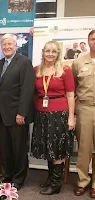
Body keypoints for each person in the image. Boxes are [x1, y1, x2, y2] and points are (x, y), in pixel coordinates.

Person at [31, 41, 75, 195]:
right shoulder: (37, 70)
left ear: (58, 54)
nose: (50, 54)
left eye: (54, 51)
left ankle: (56, 184)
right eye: (47, 51)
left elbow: (70, 95)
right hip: (41, 114)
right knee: (47, 146)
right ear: (43, 52)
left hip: (59, 114)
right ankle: (51, 177)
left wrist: (71, 117)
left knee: (57, 148)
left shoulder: (65, 70)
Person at [0, 33, 35, 190]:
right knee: (6, 149)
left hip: (18, 115)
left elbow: (27, 88)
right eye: (4, 44)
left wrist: (22, 113)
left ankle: (18, 179)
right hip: (3, 115)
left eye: (10, 44)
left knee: (19, 150)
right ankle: (7, 175)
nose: (7, 47)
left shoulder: (24, 62)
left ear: (16, 45)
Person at [73, 30, 95, 198]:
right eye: (93, 39)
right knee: (84, 148)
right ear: (88, 41)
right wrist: (73, 113)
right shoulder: (79, 62)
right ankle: (82, 181)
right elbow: (72, 88)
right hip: (85, 109)